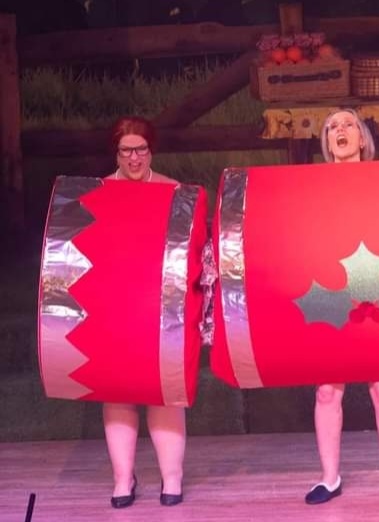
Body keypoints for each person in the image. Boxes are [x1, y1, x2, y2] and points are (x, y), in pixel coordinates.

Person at [304, 108, 379, 504]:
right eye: (332, 127)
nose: (341, 131)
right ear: (326, 141)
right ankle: (329, 478)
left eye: (348, 124)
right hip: (330, 290)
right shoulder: (312, 186)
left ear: (363, 137)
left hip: (373, 285)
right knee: (326, 391)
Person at [102, 116, 185, 508]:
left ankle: (172, 477)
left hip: (161, 308)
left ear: (151, 151)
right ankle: (123, 478)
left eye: (141, 150)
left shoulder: (173, 191)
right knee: (118, 392)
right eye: (126, 151)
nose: (134, 158)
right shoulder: (99, 194)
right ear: (116, 153)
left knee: (164, 391)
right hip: (115, 309)